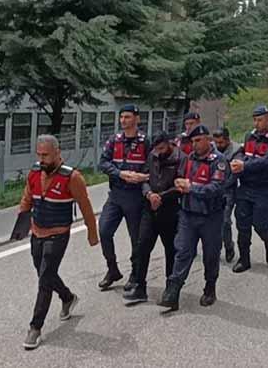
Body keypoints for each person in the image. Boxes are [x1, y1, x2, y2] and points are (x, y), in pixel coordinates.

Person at [19, 135, 99, 350]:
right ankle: (67, 297)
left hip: (58, 234)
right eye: (39, 154)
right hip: (37, 232)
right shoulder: (35, 172)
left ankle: (35, 327)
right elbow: (27, 198)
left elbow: (85, 206)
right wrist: (21, 224)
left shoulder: (72, 177)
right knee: (45, 273)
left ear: (57, 152)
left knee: (45, 280)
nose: (41, 159)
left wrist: (92, 233)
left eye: (45, 155)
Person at [158, 125, 230, 311]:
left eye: (198, 141)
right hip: (188, 214)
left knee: (211, 255)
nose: (195, 145)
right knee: (182, 251)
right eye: (193, 142)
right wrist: (179, 184)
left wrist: (191, 188)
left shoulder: (219, 161)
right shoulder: (189, 158)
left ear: (208, 139)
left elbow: (216, 188)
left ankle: (210, 287)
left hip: (210, 216)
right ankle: (172, 292)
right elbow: (181, 177)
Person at [97, 105, 150, 292]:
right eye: (122, 117)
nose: (123, 121)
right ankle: (112, 269)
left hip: (135, 196)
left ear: (137, 119)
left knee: (136, 238)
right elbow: (103, 163)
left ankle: (135, 274)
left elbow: (153, 166)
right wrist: (120, 173)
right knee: (103, 230)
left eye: (127, 117)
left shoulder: (145, 142)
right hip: (116, 195)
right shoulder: (114, 140)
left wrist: (143, 177)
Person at [125, 132, 181, 304]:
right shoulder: (153, 155)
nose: (159, 152)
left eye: (162, 148)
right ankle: (139, 287)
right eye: (156, 149)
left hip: (170, 210)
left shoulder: (181, 158)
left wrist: (161, 197)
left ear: (169, 144)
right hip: (150, 208)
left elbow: (181, 184)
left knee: (171, 251)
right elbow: (145, 178)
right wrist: (149, 193)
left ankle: (170, 291)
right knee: (142, 247)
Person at [231, 106, 268, 273]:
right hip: (245, 187)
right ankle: (244, 259)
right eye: (255, 119)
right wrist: (238, 161)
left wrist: (244, 165)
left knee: (260, 225)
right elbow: (240, 152)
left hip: (264, 189)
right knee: (242, 225)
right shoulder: (249, 136)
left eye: (260, 119)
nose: (257, 123)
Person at [213, 128, 241, 262]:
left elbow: (235, 175)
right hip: (212, 190)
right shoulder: (212, 149)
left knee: (224, 221)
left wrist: (221, 187)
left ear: (228, 140)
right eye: (216, 142)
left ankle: (229, 245)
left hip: (228, 190)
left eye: (221, 142)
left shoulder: (236, 150)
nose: (218, 145)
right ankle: (214, 248)